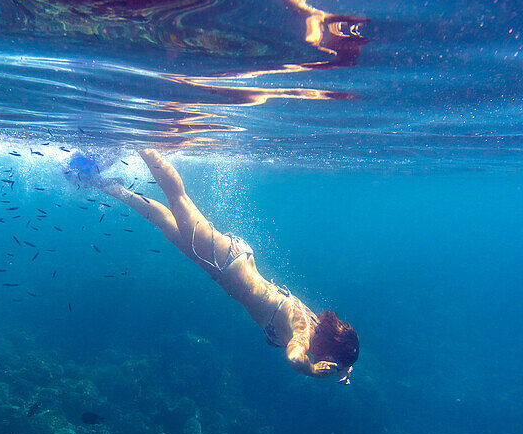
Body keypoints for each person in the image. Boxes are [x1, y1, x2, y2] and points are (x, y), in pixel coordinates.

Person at [85, 148, 359, 382]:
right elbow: (293, 358)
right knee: (179, 198)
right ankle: (143, 144)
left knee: (164, 220)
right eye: (333, 362)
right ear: (328, 351)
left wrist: (346, 368)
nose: (330, 365)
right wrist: (311, 370)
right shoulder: (304, 332)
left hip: (227, 264)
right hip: (225, 263)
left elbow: (340, 352)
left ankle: (109, 185)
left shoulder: (317, 321)